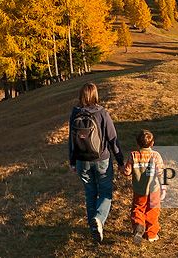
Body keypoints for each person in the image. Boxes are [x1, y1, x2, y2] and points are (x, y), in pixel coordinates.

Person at [68, 82, 124, 244]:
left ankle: (93, 229)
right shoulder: (102, 113)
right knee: (106, 192)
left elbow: (71, 139)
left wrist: (72, 161)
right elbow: (113, 139)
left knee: (90, 192)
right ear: (95, 95)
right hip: (102, 160)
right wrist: (120, 161)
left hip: (81, 160)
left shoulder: (75, 113)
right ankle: (99, 219)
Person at [122, 129, 166, 243]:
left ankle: (138, 227)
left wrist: (122, 168)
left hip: (139, 190)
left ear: (137, 143)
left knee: (138, 208)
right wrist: (163, 187)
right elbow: (161, 172)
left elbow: (127, 172)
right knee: (153, 210)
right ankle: (151, 234)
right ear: (152, 143)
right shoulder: (156, 156)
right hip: (154, 189)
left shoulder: (133, 155)